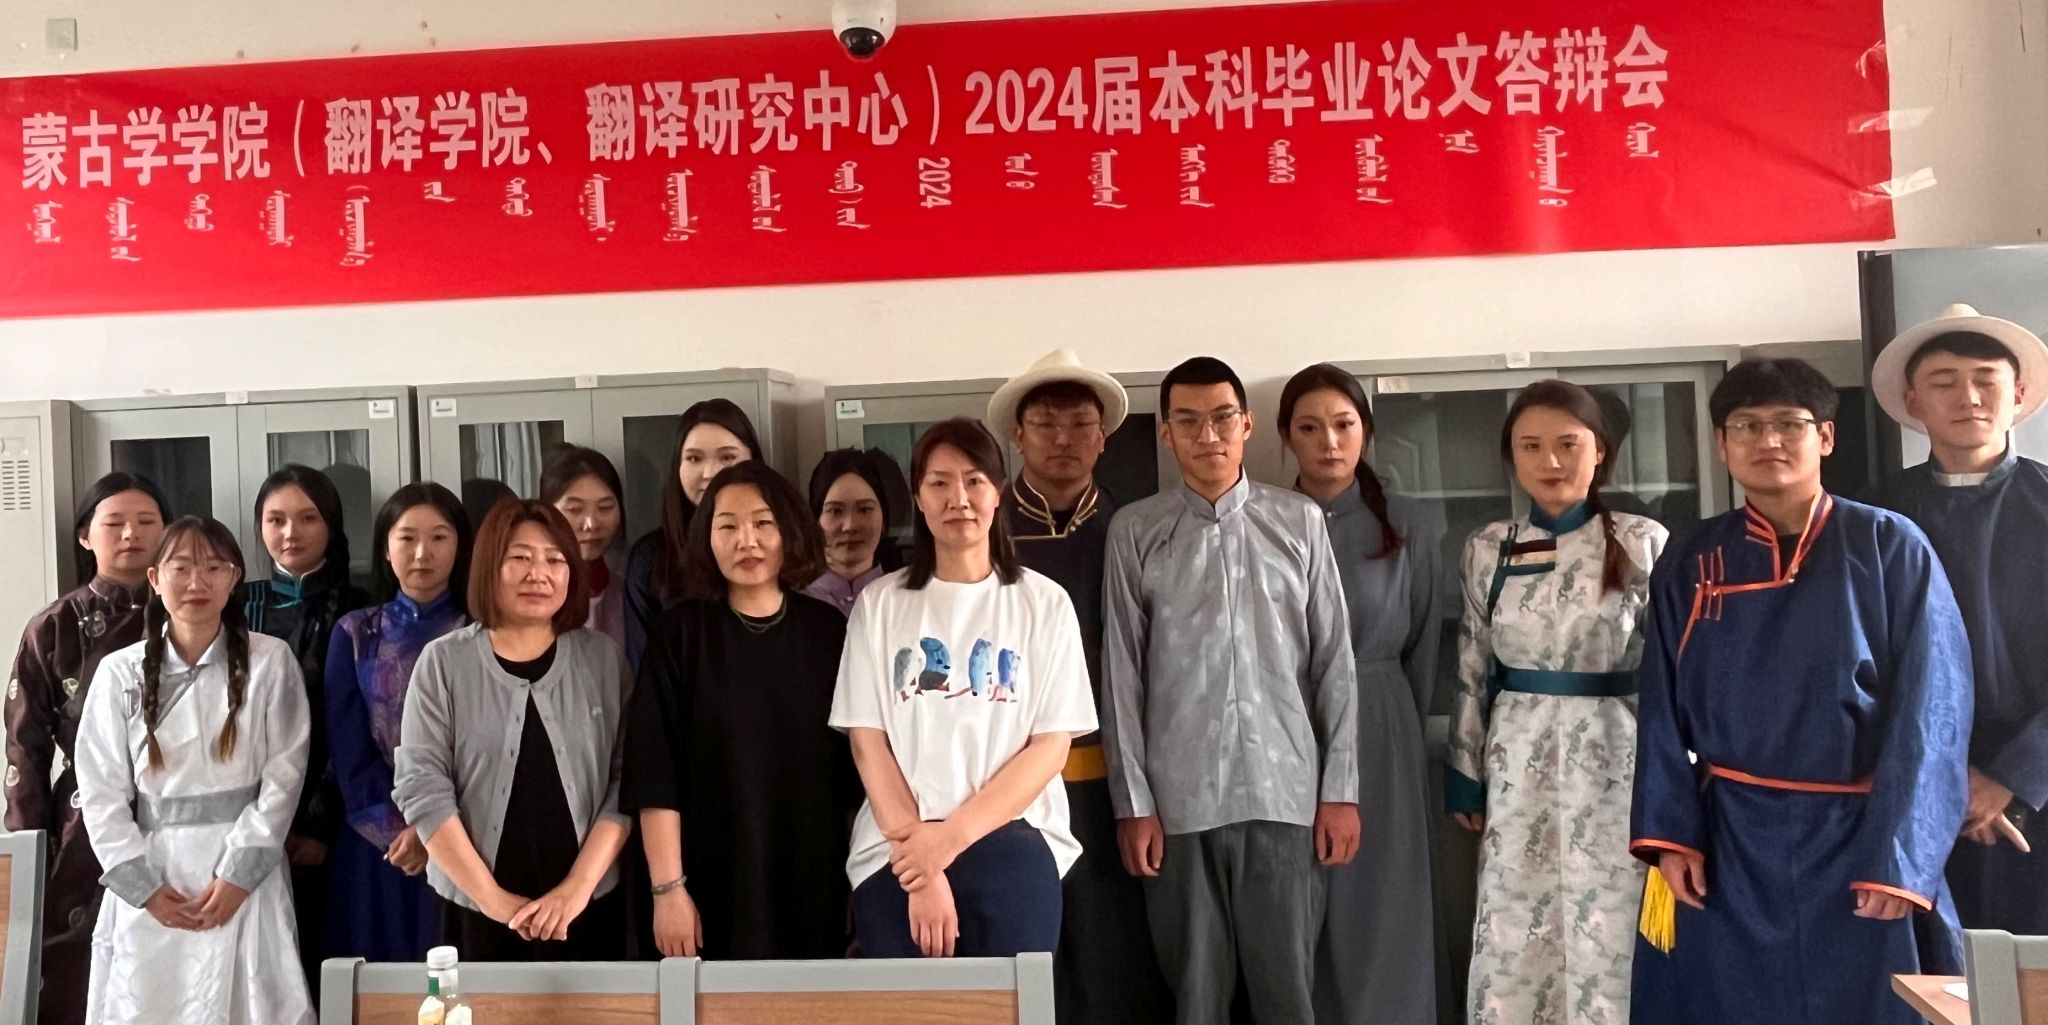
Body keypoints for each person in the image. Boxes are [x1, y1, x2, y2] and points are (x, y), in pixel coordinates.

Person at [1629, 358, 1973, 1024]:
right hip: (1728, 841)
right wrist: (1670, 833)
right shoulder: (1691, 557)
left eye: (1789, 423)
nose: (1769, 440)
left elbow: (1935, 710)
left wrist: (1901, 856)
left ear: (1826, 437)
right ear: (1721, 444)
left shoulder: (1888, 544)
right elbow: (1660, 708)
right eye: (1746, 426)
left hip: (1860, 838)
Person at [1101, 356, 1360, 1025]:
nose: (1207, 435)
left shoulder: (1299, 521)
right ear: (1166, 433)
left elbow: (1334, 662)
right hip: (1177, 804)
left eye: (1222, 418)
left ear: (1247, 424)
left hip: (1286, 794)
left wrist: (1339, 790)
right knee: (1195, 998)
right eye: (1188, 421)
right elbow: (1122, 673)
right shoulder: (1137, 531)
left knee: (1288, 997)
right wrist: (1133, 803)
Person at [829, 418, 1098, 959]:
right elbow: (867, 742)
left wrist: (947, 842)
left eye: (974, 481)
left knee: (1013, 1001)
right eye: (939, 483)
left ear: (998, 492)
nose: (959, 499)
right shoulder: (880, 605)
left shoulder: (1044, 603)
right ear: (919, 499)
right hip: (896, 853)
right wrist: (923, 867)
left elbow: (1051, 746)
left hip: (1014, 844)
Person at [1446, 380, 1669, 1025]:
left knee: (1613, 914)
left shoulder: (1643, 540)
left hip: (1619, 755)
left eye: (1568, 444)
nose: (1550, 461)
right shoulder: (1489, 547)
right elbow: (1472, 661)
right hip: (1518, 757)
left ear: (1600, 451)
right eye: (1531, 446)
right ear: (1511, 457)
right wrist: (1465, 773)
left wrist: (1674, 780)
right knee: (1518, 913)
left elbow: (1673, 672)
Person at [987, 349, 1170, 1025]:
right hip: (1007, 778)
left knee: (1114, 948)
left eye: (1080, 424)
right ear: (1018, 434)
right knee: (1026, 945)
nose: (1063, 438)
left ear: (1104, 436)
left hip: (1115, 775)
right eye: (1045, 423)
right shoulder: (986, 531)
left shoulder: (1136, 528)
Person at [74, 516, 313, 1025]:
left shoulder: (271, 662)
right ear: (155, 578)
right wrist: (143, 888)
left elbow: (285, 776)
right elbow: (99, 790)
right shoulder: (119, 673)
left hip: (244, 872)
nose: (196, 582)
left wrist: (239, 875)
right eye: (181, 568)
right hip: (157, 873)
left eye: (213, 568)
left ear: (234, 578)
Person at [624, 462, 860, 958]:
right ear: (706, 538)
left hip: (812, 880)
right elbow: (654, 775)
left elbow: (852, 777)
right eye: (727, 526)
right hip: (704, 887)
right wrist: (668, 890)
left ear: (788, 530)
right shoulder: (679, 635)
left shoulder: (828, 632)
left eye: (763, 523)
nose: (746, 540)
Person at [1865, 304, 2048, 934]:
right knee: (1927, 968)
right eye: (1943, 382)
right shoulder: (1874, 520)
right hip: (1911, 785)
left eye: (1986, 380)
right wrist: (1944, 773)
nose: (1967, 397)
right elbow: (1859, 661)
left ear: (2018, 394)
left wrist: (2010, 778)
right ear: (1913, 400)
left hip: (2038, 785)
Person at [395, 498, 632, 960]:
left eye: (555, 560)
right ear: (488, 566)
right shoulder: (443, 662)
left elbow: (627, 780)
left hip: (589, 907)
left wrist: (576, 890)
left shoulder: (603, 659)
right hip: (474, 910)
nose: (538, 574)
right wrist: (496, 902)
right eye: (520, 558)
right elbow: (422, 787)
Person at [1278, 364, 1444, 1025]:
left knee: (1382, 899)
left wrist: (1396, 720)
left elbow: (1425, 641)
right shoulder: (1266, 520)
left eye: (1343, 425)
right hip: (1287, 726)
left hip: (1381, 720)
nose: (1329, 442)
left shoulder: (1408, 523)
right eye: (1309, 428)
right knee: (1295, 901)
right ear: (1285, 436)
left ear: (1366, 431)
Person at [4, 473, 169, 1025]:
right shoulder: (52, 627)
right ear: (85, 536)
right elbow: (24, 748)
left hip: (181, 812)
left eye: (146, 522)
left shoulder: (192, 614)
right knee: (75, 972)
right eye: (114, 523)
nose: (131, 534)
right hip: (82, 821)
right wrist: (29, 848)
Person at [323, 483, 473, 961]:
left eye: (439, 537)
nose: (422, 553)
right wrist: (403, 833)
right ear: (386, 549)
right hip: (378, 846)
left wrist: (436, 833)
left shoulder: (481, 631)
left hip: (467, 837)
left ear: (461, 546)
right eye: (407, 538)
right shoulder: (355, 633)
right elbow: (349, 754)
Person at [242, 463, 369, 993]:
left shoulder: (362, 609)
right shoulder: (237, 606)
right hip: (244, 824)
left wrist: (316, 825)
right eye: (276, 520)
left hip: (335, 824)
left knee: (330, 967)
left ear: (331, 525)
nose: (290, 532)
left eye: (308, 518)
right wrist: (259, 823)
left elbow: (357, 728)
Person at [624, 400, 762, 665]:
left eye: (727, 457)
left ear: (753, 461)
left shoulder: (774, 545)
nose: (709, 473)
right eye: (694, 459)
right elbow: (644, 663)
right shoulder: (650, 558)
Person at [542, 446, 628, 652]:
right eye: (575, 509)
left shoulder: (629, 594)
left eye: (605, 508)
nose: (591, 524)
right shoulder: (532, 594)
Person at [803, 448, 893, 616]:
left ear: (884, 519)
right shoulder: (793, 607)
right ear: (815, 521)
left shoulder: (907, 600)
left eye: (864, 510)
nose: (850, 526)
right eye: (835, 511)